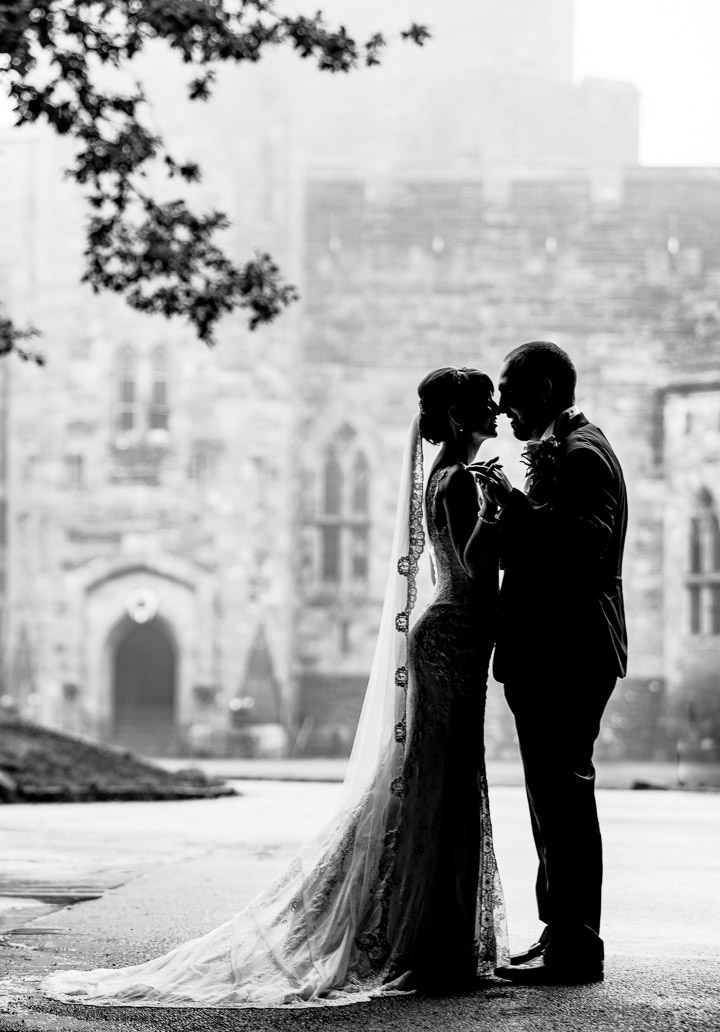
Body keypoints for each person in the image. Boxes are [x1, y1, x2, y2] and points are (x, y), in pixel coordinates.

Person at [39, 367, 508, 1008]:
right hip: (453, 636)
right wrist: (516, 517)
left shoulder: (451, 478)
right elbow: (480, 572)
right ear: (458, 418)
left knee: (439, 781)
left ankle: (431, 931)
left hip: (451, 635)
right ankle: (429, 937)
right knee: (440, 782)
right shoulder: (462, 484)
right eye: (486, 403)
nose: (498, 409)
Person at [469, 341, 627, 986]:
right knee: (551, 795)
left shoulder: (582, 452)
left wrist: (511, 505)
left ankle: (575, 946)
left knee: (563, 795)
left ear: (542, 388)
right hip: (553, 647)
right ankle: (560, 931)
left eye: (510, 389)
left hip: (569, 647)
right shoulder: (565, 448)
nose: (501, 405)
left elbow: (584, 544)